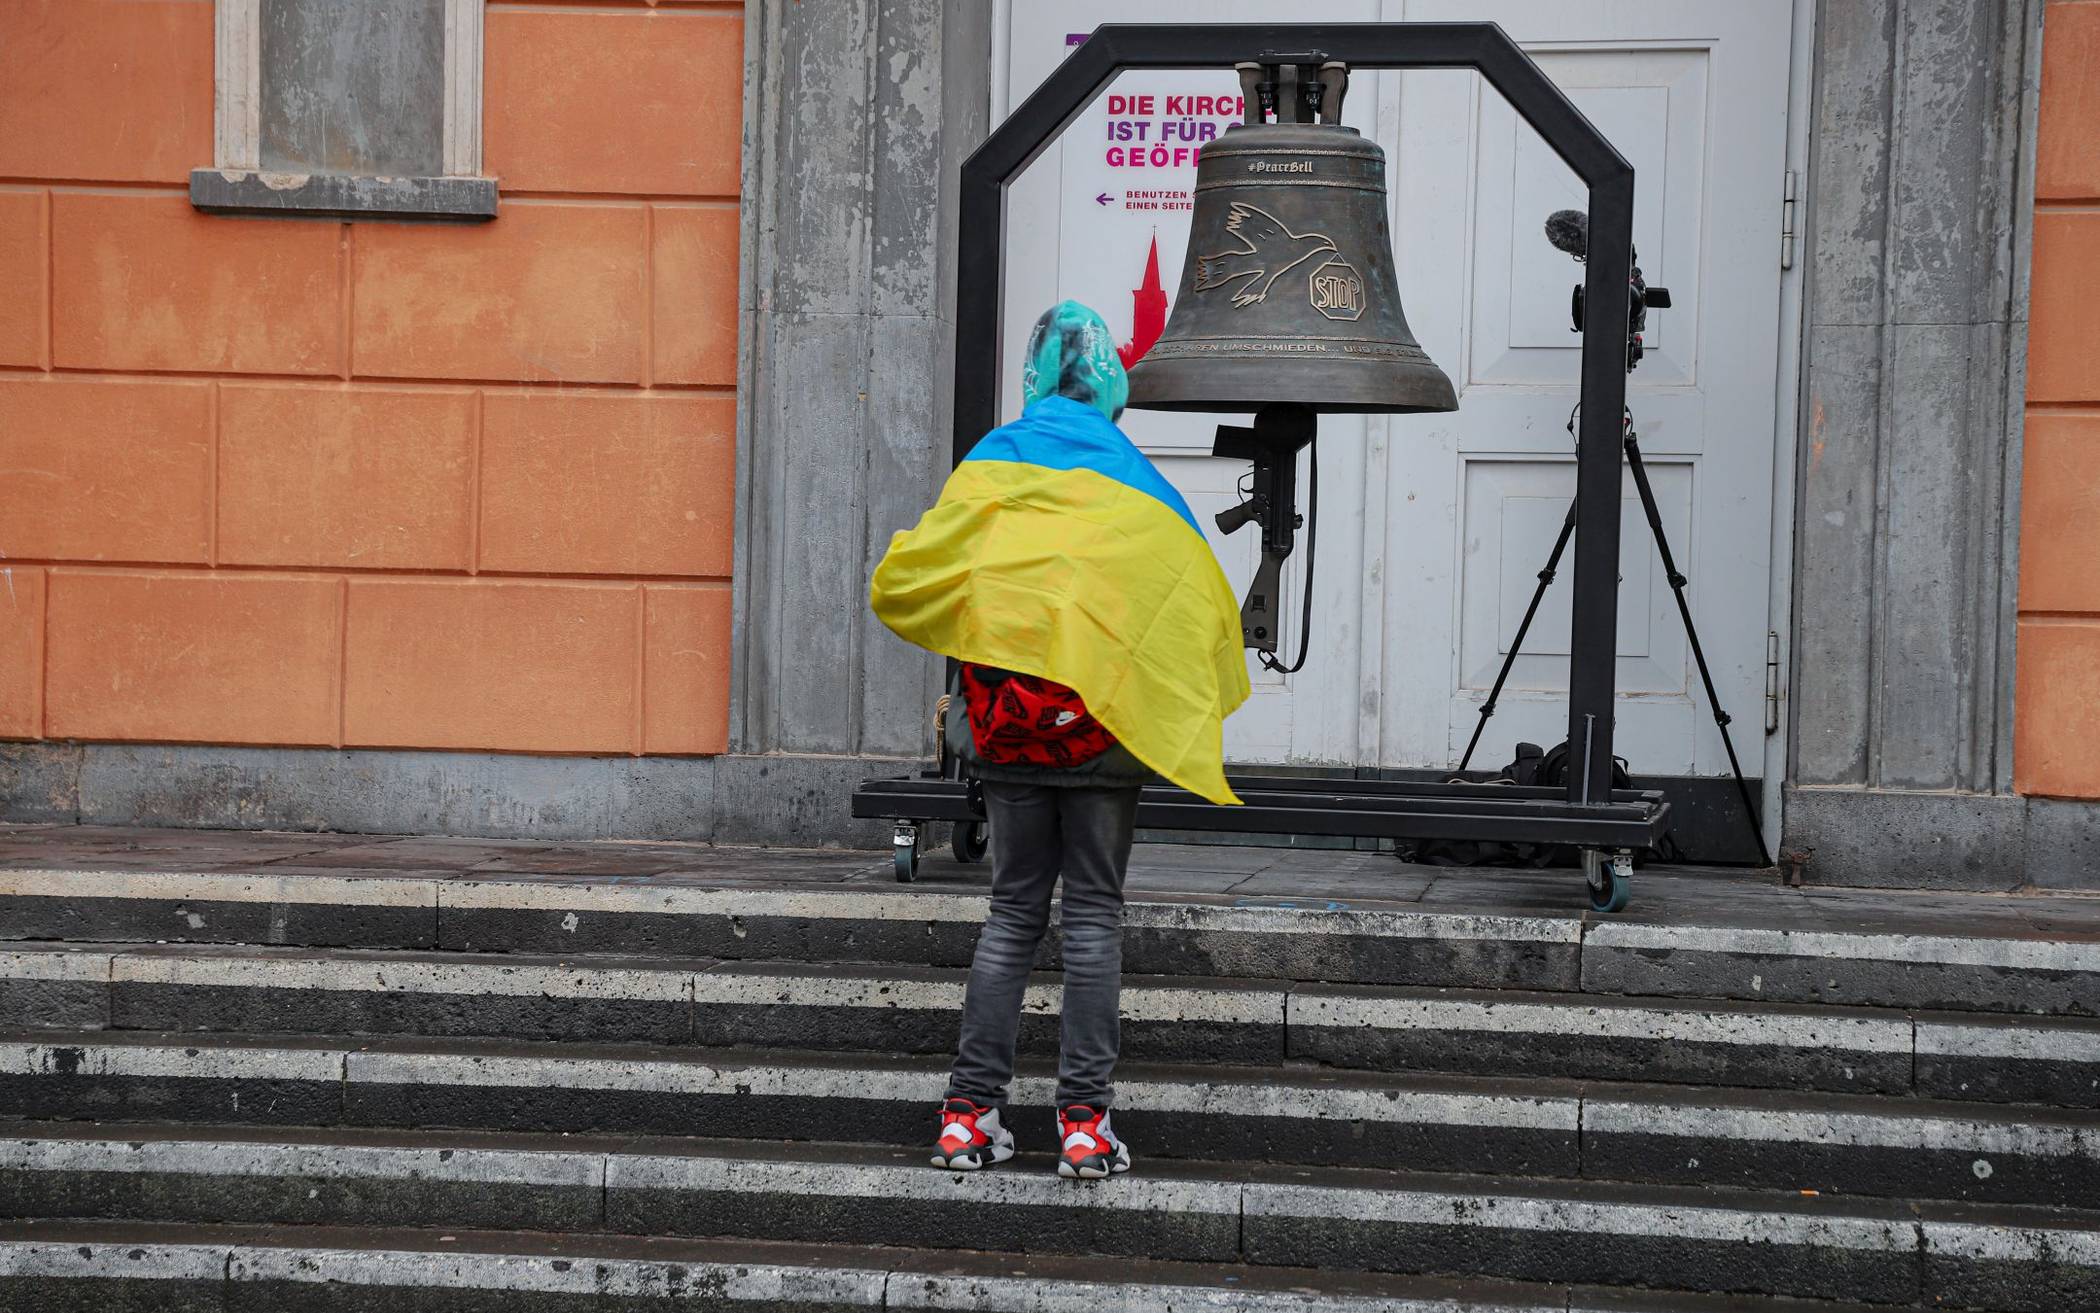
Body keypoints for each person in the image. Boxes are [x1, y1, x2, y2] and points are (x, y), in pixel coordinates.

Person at [869, 301, 1247, 1180]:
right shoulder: (1135, 477)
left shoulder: (992, 463)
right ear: (1109, 380)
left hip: (1007, 736)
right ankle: (1083, 1124)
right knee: (1092, 922)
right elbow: (1190, 599)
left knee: (1010, 914)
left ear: (1035, 374)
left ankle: (968, 1116)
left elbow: (913, 573)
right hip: (1101, 742)